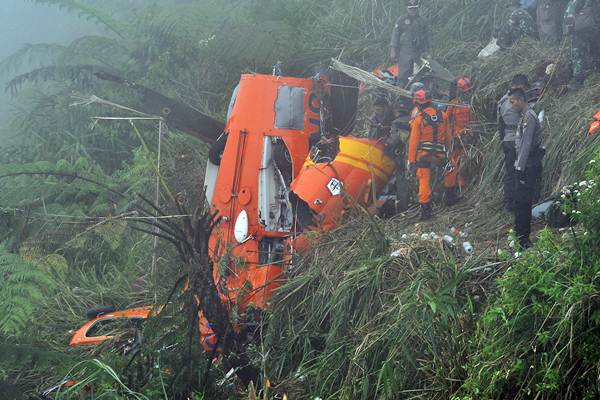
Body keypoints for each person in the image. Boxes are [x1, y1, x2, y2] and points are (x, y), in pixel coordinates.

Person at [509, 87, 544, 249]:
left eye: (513, 101)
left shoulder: (529, 117)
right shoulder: (524, 117)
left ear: (521, 100)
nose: (512, 105)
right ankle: (519, 237)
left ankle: (524, 239)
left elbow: (526, 144)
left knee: (524, 203)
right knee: (520, 203)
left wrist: (520, 168)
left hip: (527, 167)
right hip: (523, 165)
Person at [408, 89, 450, 220]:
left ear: (419, 104)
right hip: (440, 156)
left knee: (424, 181)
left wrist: (411, 160)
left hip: (424, 155)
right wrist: (446, 154)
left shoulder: (419, 119)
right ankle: (450, 197)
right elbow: (448, 138)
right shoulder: (444, 116)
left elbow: (413, 142)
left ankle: (426, 211)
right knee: (447, 173)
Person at [498, 74, 529, 212]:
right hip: (518, 139)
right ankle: (520, 201)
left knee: (510, 172)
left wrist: (502, 140)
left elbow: (499, 124)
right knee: (522, 171)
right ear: (518, 86)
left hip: (506, 139)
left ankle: (508, 203)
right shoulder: (516, 101)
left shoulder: (501, 101)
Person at [444, 77, 476, 206]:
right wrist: (450, 137)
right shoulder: (453, 104)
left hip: (467, 138)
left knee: (464, 163)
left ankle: (463, 188)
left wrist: (470, 134)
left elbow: (474, 121)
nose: (467, 93)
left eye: (468, 91)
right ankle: (453, 190)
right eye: (465, 91)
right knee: (453, 164)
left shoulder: (471, 104)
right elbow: (446, 121)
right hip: (455, 140)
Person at [390, 0, 430, 88]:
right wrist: (393, 51)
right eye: (411, 9)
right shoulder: (401, 20)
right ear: (407, 8)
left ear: (418, 8)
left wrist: (427, 52)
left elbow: (427, 38)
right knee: (403, 74)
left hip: (419, 52)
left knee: (421, 75)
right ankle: (400, 94)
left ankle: (418, 94)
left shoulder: (423, 21)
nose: (413, 11)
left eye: (415, 9)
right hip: (405, 51)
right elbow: (395, 35)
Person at [564, 0, 600, 88]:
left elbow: (570, 15)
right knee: (595, 49)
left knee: (578, 54)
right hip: (594, 26)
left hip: (582, 28)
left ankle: (579, 80)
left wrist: (568, 28)